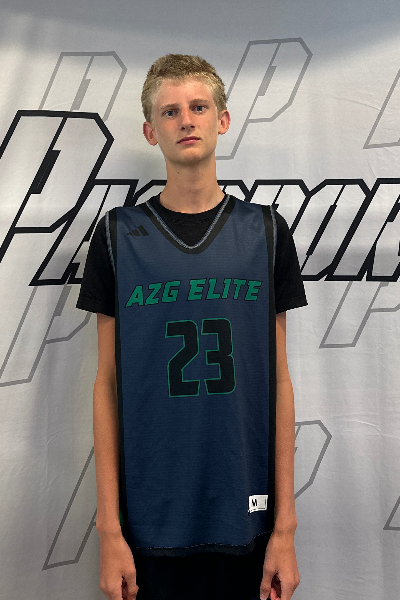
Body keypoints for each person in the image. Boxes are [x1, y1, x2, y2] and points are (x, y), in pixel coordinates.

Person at [76, 53, 307, 600]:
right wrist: (109, 531)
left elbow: (278, 380)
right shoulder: (116, 235)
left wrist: (285, 528)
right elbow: (106, 385)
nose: (186, 120)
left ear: (222, 120)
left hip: (246, 515)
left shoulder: (266, 231)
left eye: (199, 107)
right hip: (150, 521)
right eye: (170, 111)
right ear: (150, 130)